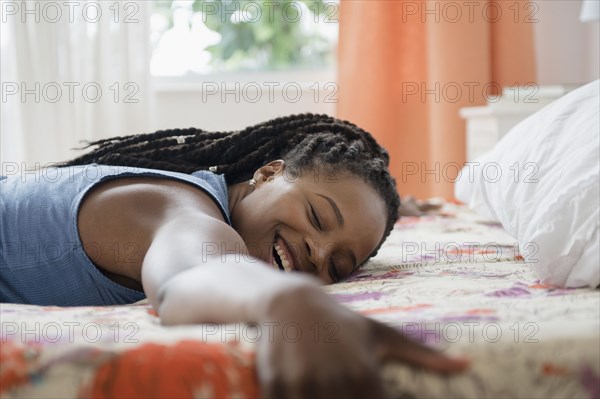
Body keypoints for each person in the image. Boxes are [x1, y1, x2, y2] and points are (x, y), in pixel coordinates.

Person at [1, 113, 467, 398]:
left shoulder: (205, 198)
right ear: (268, 173)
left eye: (338, 267)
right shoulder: (177, 207)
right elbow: (196, 271)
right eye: (317, 217)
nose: (318, 252)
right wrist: (286, 300)